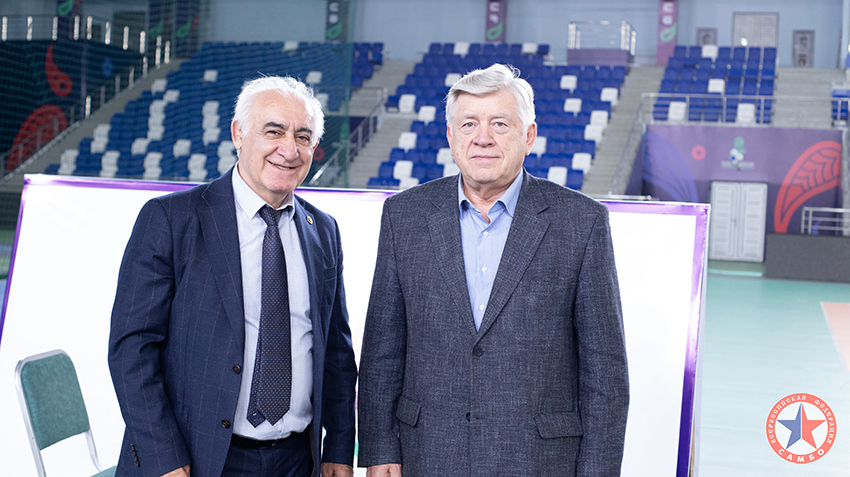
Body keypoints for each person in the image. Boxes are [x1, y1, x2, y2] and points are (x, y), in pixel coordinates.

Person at [357, 64, 629, 477]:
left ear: (529, 136)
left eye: (500, 124)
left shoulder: (581, 221)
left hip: (539, 462)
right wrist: (379, 449)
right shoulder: (404, 215)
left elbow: (605, 373)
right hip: (427, 455)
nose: (482, 137)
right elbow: (382, 350)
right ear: (451, 136)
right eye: (469, 124)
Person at [108, 76, 357, 477]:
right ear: (238, 134)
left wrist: (339, 449)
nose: (290, 149)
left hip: (298, 461)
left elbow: (337, 355)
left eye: (303, 137)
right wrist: (164, 458)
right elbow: (132, 351)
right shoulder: (172, 220)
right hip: (198, 459)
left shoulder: (323, 231)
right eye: (274, 131)